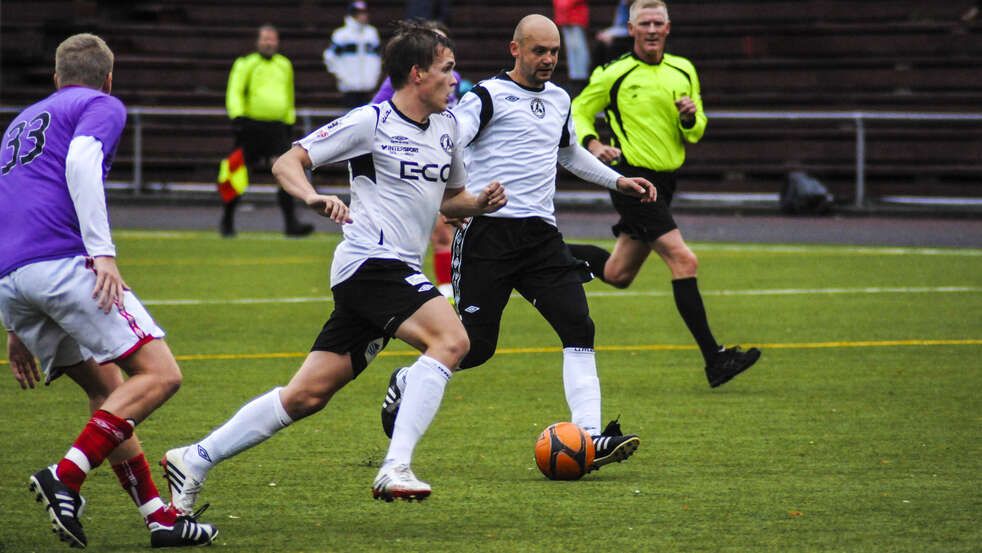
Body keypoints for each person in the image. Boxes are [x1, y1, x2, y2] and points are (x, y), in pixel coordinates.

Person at [160, 21, 507, 516]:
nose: (455, 79)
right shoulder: (371, 122)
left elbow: (450, 201)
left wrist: (481, 203)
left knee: (306, 396)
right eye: (447, 69)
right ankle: (396, 465)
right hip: (370, 263)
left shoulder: (447, 128)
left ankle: (193, 458)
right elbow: (287, 162)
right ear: (417, 74)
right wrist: (312, 196)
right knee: (452, 341)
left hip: (390, 272)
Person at [381, 14, 657, 473]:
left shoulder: (560, 99)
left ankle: (588, 437)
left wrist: (617, 181)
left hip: (541, 238)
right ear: (515, 49)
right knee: (475, 346)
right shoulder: (487, 96)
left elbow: (569, 152)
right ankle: (407, 380)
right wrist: (453, 199)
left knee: (578, 324)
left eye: (554, 52)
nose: (548, 59)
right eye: (539, 51)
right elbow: (448, 140)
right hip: (488, 234)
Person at [0, 33, 217, 548]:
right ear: (109, 78)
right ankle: (65, 476)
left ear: (56, 78)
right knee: (160, 374)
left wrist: (14, 321)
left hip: (13, 278)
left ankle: (159, 519)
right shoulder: (101, 105)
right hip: (63, 264)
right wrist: (103, 253)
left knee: (109, 393)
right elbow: (81, 162)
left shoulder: (20, 123)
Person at [567, 0, 761, 388]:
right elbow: (577, 111)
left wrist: (690, 117)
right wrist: (593, 144)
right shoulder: (614, 72)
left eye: (658, 23)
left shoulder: (683, 69)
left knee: (618, 274)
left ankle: (541, 249)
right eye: (645, 23)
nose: (652, 29)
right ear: (631, 30)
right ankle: (715, 359)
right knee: (684, 261)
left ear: (668, 28)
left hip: (667, 182)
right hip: (633, 182)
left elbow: (697, 129)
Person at [371, 19, 462, 298]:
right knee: (431, 232)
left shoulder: (453, 81)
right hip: (411, 161)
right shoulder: (393, 89)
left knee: (446, 229)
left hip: (442, 156)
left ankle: (447, 290)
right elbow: (376, 115)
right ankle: (437, 290)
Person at [225, 24, 313, 238]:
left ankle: (291, 224)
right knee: (237, 172)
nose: (269, 43)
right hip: (250, 126)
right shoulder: (246, 63)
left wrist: (289, 120)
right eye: (265, 39)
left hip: (277, 128)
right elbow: (235, 90)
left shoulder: (284, 65)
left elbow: (288, 94)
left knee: (285, 172)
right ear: (257, 41)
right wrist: (237, 116)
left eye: (272, 39)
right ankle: (227, 220)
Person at [324, 1, 382, 108]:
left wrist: (374, 77)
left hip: (368, 86)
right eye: (360, 13)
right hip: (349, 88)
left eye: (365, 12)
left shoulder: (372, 33)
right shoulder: (341, 35)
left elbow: (377, 57)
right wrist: (342, 77)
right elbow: (330, 58)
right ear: (352, 14)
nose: (363, 16)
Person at [552, 0, 591, 94]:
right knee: (571, 49)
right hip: (564, 14)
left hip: (575, 15)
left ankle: (581, 76)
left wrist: (564, 3)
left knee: (578, 48)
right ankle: (574, 76)